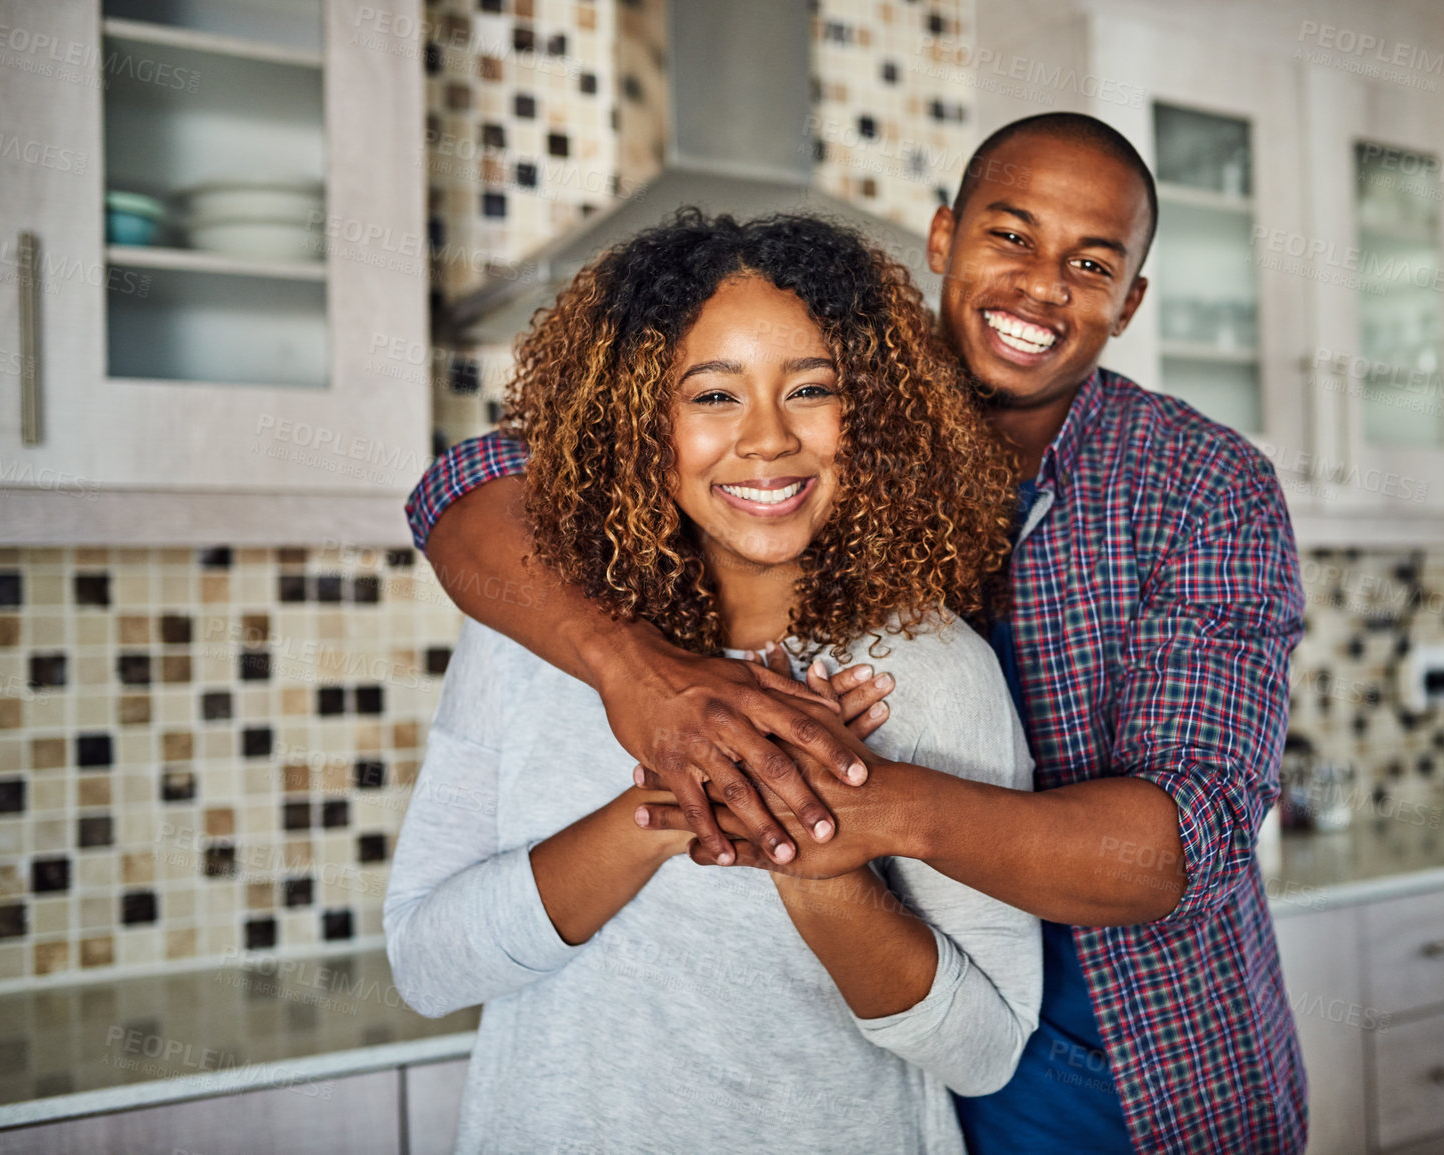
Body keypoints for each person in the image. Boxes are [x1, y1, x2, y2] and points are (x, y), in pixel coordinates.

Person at [407, 113, 1308, 1153]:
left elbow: (1181, 843)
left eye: (1092, 261)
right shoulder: (832, 376)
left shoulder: (1203, 489)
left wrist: (834, 801)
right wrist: (637, 676)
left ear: (1131, 299)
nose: (1041, 285)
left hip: (1125, 1050)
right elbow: (472, 486)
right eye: (1011, 235)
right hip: (895, 1059)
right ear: (944, 239)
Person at [384, 211, 1043, 1154]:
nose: (768, 439)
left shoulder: (933, 670)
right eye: (713, 396)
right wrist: (670, 798)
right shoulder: (533, 638)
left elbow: (986, 1052)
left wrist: (807, 847)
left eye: (810, 388)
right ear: (635, 421)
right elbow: (424, 963)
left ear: (874, 415)